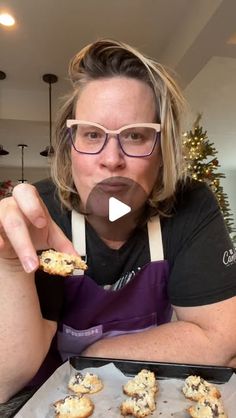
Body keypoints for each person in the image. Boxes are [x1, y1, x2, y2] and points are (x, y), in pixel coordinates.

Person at [1, 38, 236, 403]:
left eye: (137, 135)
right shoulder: (38, 216)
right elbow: (9, 379)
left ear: (163, 152)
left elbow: (219, 339)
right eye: (93, 134)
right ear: (70, 146)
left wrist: (92, 357)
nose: (112, 159)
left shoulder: (192, 207)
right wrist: (10, 263)